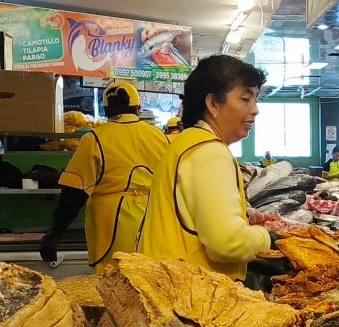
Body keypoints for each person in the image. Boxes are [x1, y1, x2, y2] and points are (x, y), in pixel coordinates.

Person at [138, 55, 271, 281]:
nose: (255, 109)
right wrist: (268, 238)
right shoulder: (209, 152)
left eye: (255, 100)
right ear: (213, 104)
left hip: (166, 285)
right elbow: (226, 241)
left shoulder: (187, 141)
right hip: (190, 297)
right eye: (245, 99)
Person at [40, 82, 168, 273]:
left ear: (106, 109)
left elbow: (73, 194)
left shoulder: (94, 139)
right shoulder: (160, 137)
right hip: (154, 221)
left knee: (113, 285)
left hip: (112, 223)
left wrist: (55, 233)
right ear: (138, 108)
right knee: (150, 284)